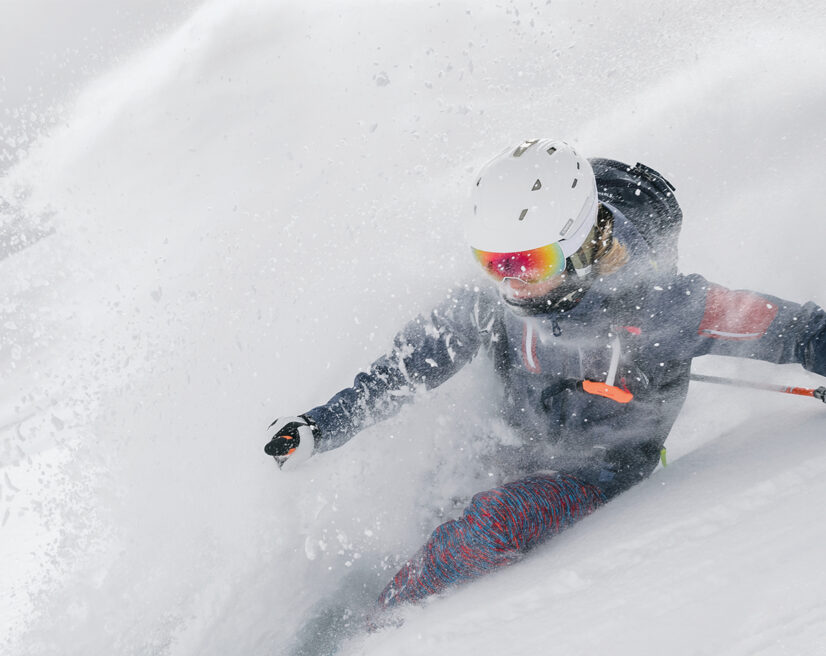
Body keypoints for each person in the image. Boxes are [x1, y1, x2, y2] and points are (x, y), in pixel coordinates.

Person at [265, 138, 826, 611]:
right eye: (494, 263)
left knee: (479, 527)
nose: (512, 284)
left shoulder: (665, 308)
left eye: (529, 263)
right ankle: (381, 590)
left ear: (580, 243)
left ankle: (373, 651)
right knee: (435, 497)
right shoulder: (495, 301)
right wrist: (320, 426)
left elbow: (801, 330)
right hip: (514, 442)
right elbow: (409, 367)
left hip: (594, 473)